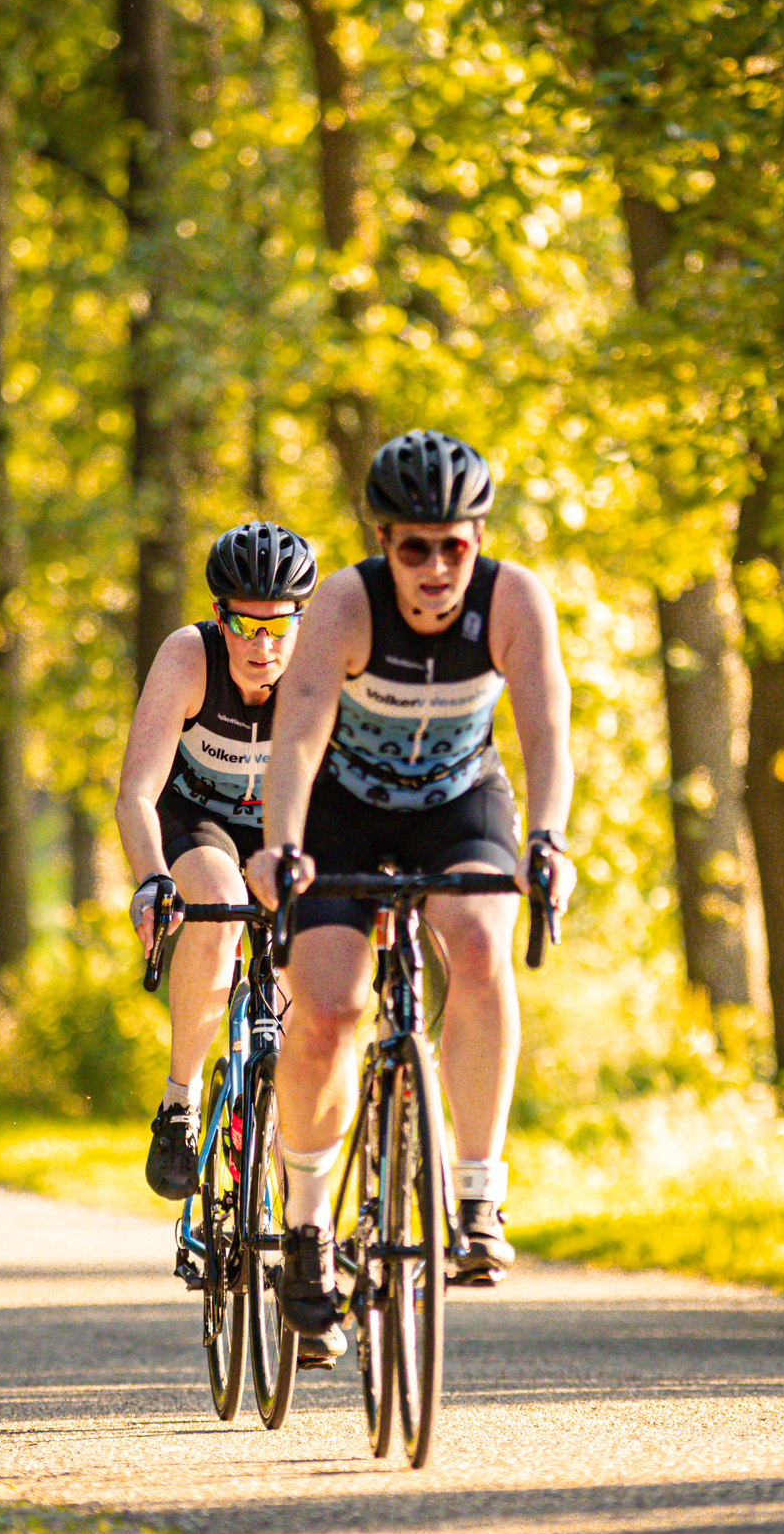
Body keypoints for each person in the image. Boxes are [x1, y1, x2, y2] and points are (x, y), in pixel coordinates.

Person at [244, 429, 576, 1337]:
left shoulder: (514, 602)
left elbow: (546, 733)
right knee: (331, 1005)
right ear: (383, 542)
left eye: (454, 546)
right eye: (414, 548)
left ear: (477, 539)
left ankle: (476, 1195)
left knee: (477, 936)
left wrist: (547, 839)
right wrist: (279, 846)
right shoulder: (345, 606)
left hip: (458, 800)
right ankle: (310, 1223)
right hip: (342, 808)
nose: (435, 568)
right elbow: (300, 736)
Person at [114, 520, 319, 1199]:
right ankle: (180, 1102)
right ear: (218, 617)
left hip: (286, 829)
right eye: (246, 627)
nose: (264, 647)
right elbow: (137, 793)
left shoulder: (324, 666)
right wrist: (151, 880)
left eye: (280, 627)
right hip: (198, 824)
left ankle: (300, 1220)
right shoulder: (188, 658)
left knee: (305, 993)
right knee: (217, 897)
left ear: (303, 618)